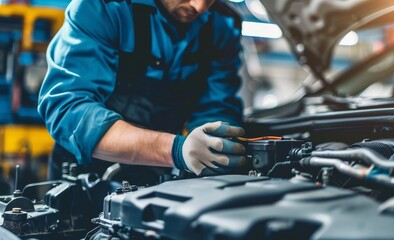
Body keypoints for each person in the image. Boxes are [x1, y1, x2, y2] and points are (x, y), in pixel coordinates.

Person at [38, 0, 247, 181]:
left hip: (161, 175)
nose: (200, 7)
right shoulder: (104, 8)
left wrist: (213, 150)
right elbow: (69, 110)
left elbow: (216, 108)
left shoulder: (223, 24)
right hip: (85, 176)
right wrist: (175, 150)